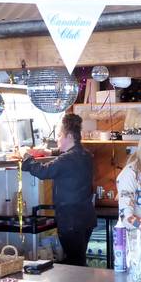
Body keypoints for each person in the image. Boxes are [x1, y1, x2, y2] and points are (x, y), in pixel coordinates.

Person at [22, 114, 96, 266]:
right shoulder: (86, 155)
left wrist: (27, 159)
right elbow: (68, 155)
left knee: (75, 263)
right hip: (86, 218)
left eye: (60, 135)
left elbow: (43, 171)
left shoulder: (66, 160)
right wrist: (51, 152)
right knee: (79, 259)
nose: (57, 139)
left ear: (69, 136)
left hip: (71, 220)